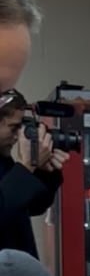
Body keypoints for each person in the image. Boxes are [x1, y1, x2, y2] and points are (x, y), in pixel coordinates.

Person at [0, 87, 68, 258]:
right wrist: (27, 165)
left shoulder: (3, 160)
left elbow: (30, 207)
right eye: (13, 127)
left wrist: (42, 171)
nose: (17, 137)